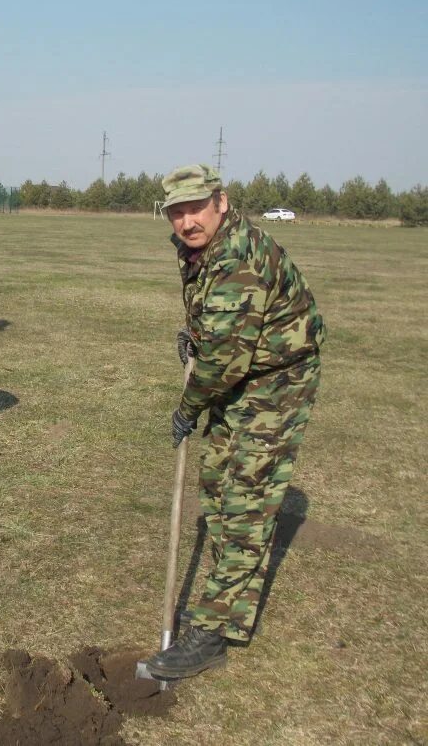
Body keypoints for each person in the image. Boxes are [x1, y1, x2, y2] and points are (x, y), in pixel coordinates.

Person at [142, 164, 326, 680]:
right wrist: (196, 334)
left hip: (276, 380)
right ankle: (229, 587)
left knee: (246, 497)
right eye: (176, 212)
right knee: (217, 483)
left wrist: (186, 408)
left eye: (195, 208)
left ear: (220, 202)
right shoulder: (199, 248)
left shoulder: (240, 259)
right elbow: (218, 329)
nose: (186, 221)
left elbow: (225, 362)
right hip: (240, 370)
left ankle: (213, 630)